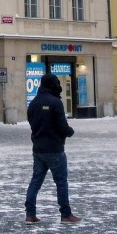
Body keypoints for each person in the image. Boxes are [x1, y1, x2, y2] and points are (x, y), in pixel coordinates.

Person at [24, 73, 80, 224]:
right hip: (55, 149)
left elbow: (32, 123)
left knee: (35, 181)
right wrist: (69, 132)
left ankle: (30, 214)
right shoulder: (56, 102)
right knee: (61, 182)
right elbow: (61, 125)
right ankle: (66, 214)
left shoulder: (34, 103)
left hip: (38, 149)